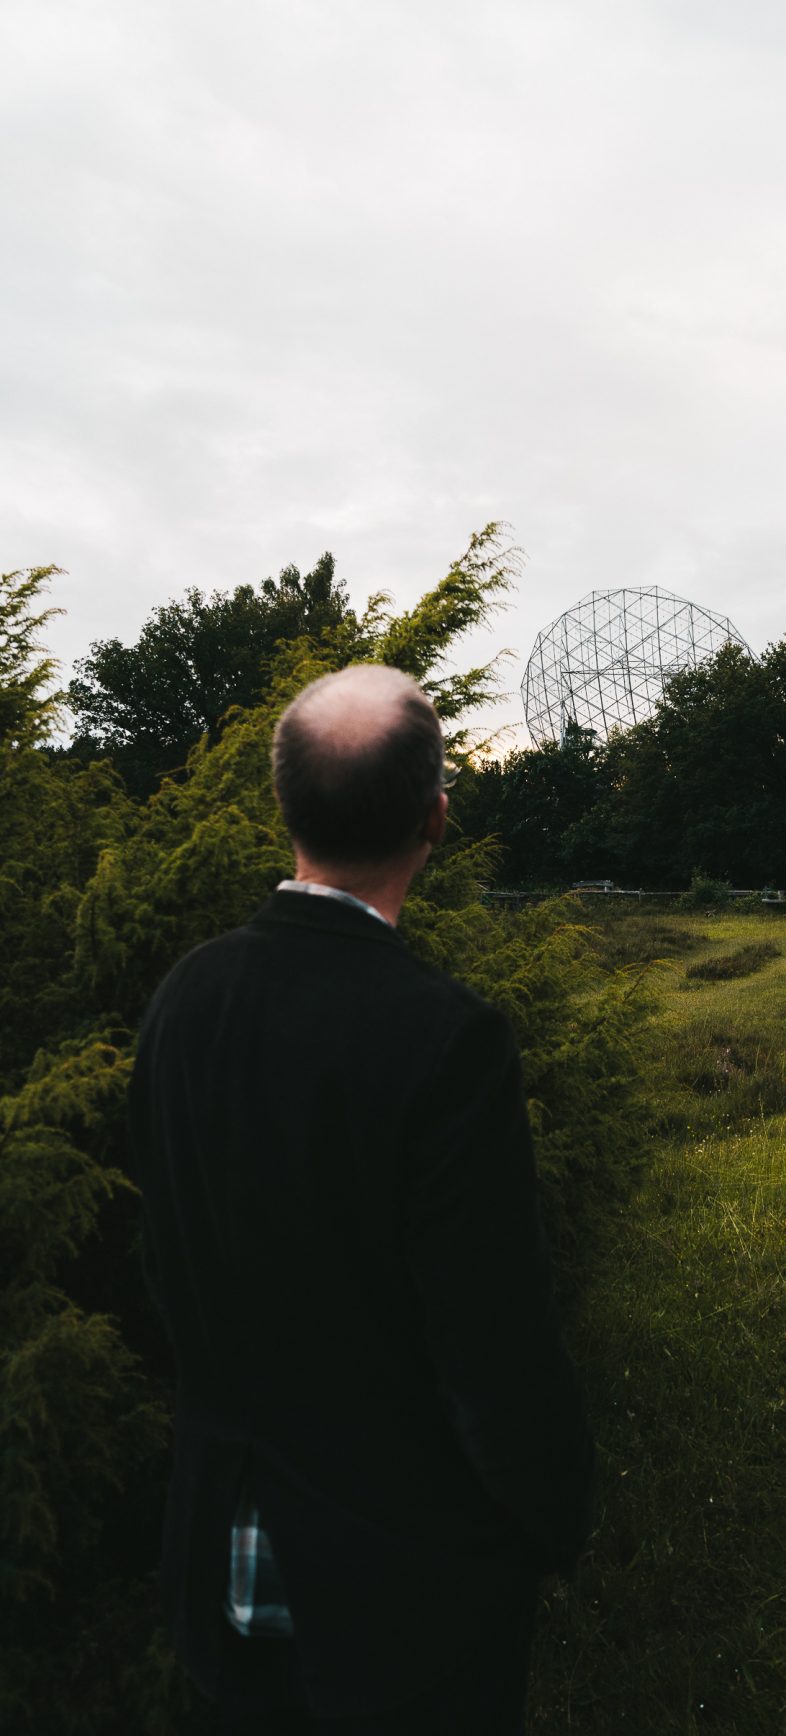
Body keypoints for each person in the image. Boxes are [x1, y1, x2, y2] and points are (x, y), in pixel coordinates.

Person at [129, 664, 595, 1734]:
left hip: (220, 1565)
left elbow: (166, 1260)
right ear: (435, 819)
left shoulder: (185, 995)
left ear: (283, 805)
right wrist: (550, 1520)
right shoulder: (448, 1039)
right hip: (396, 1600)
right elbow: (495, 1342)